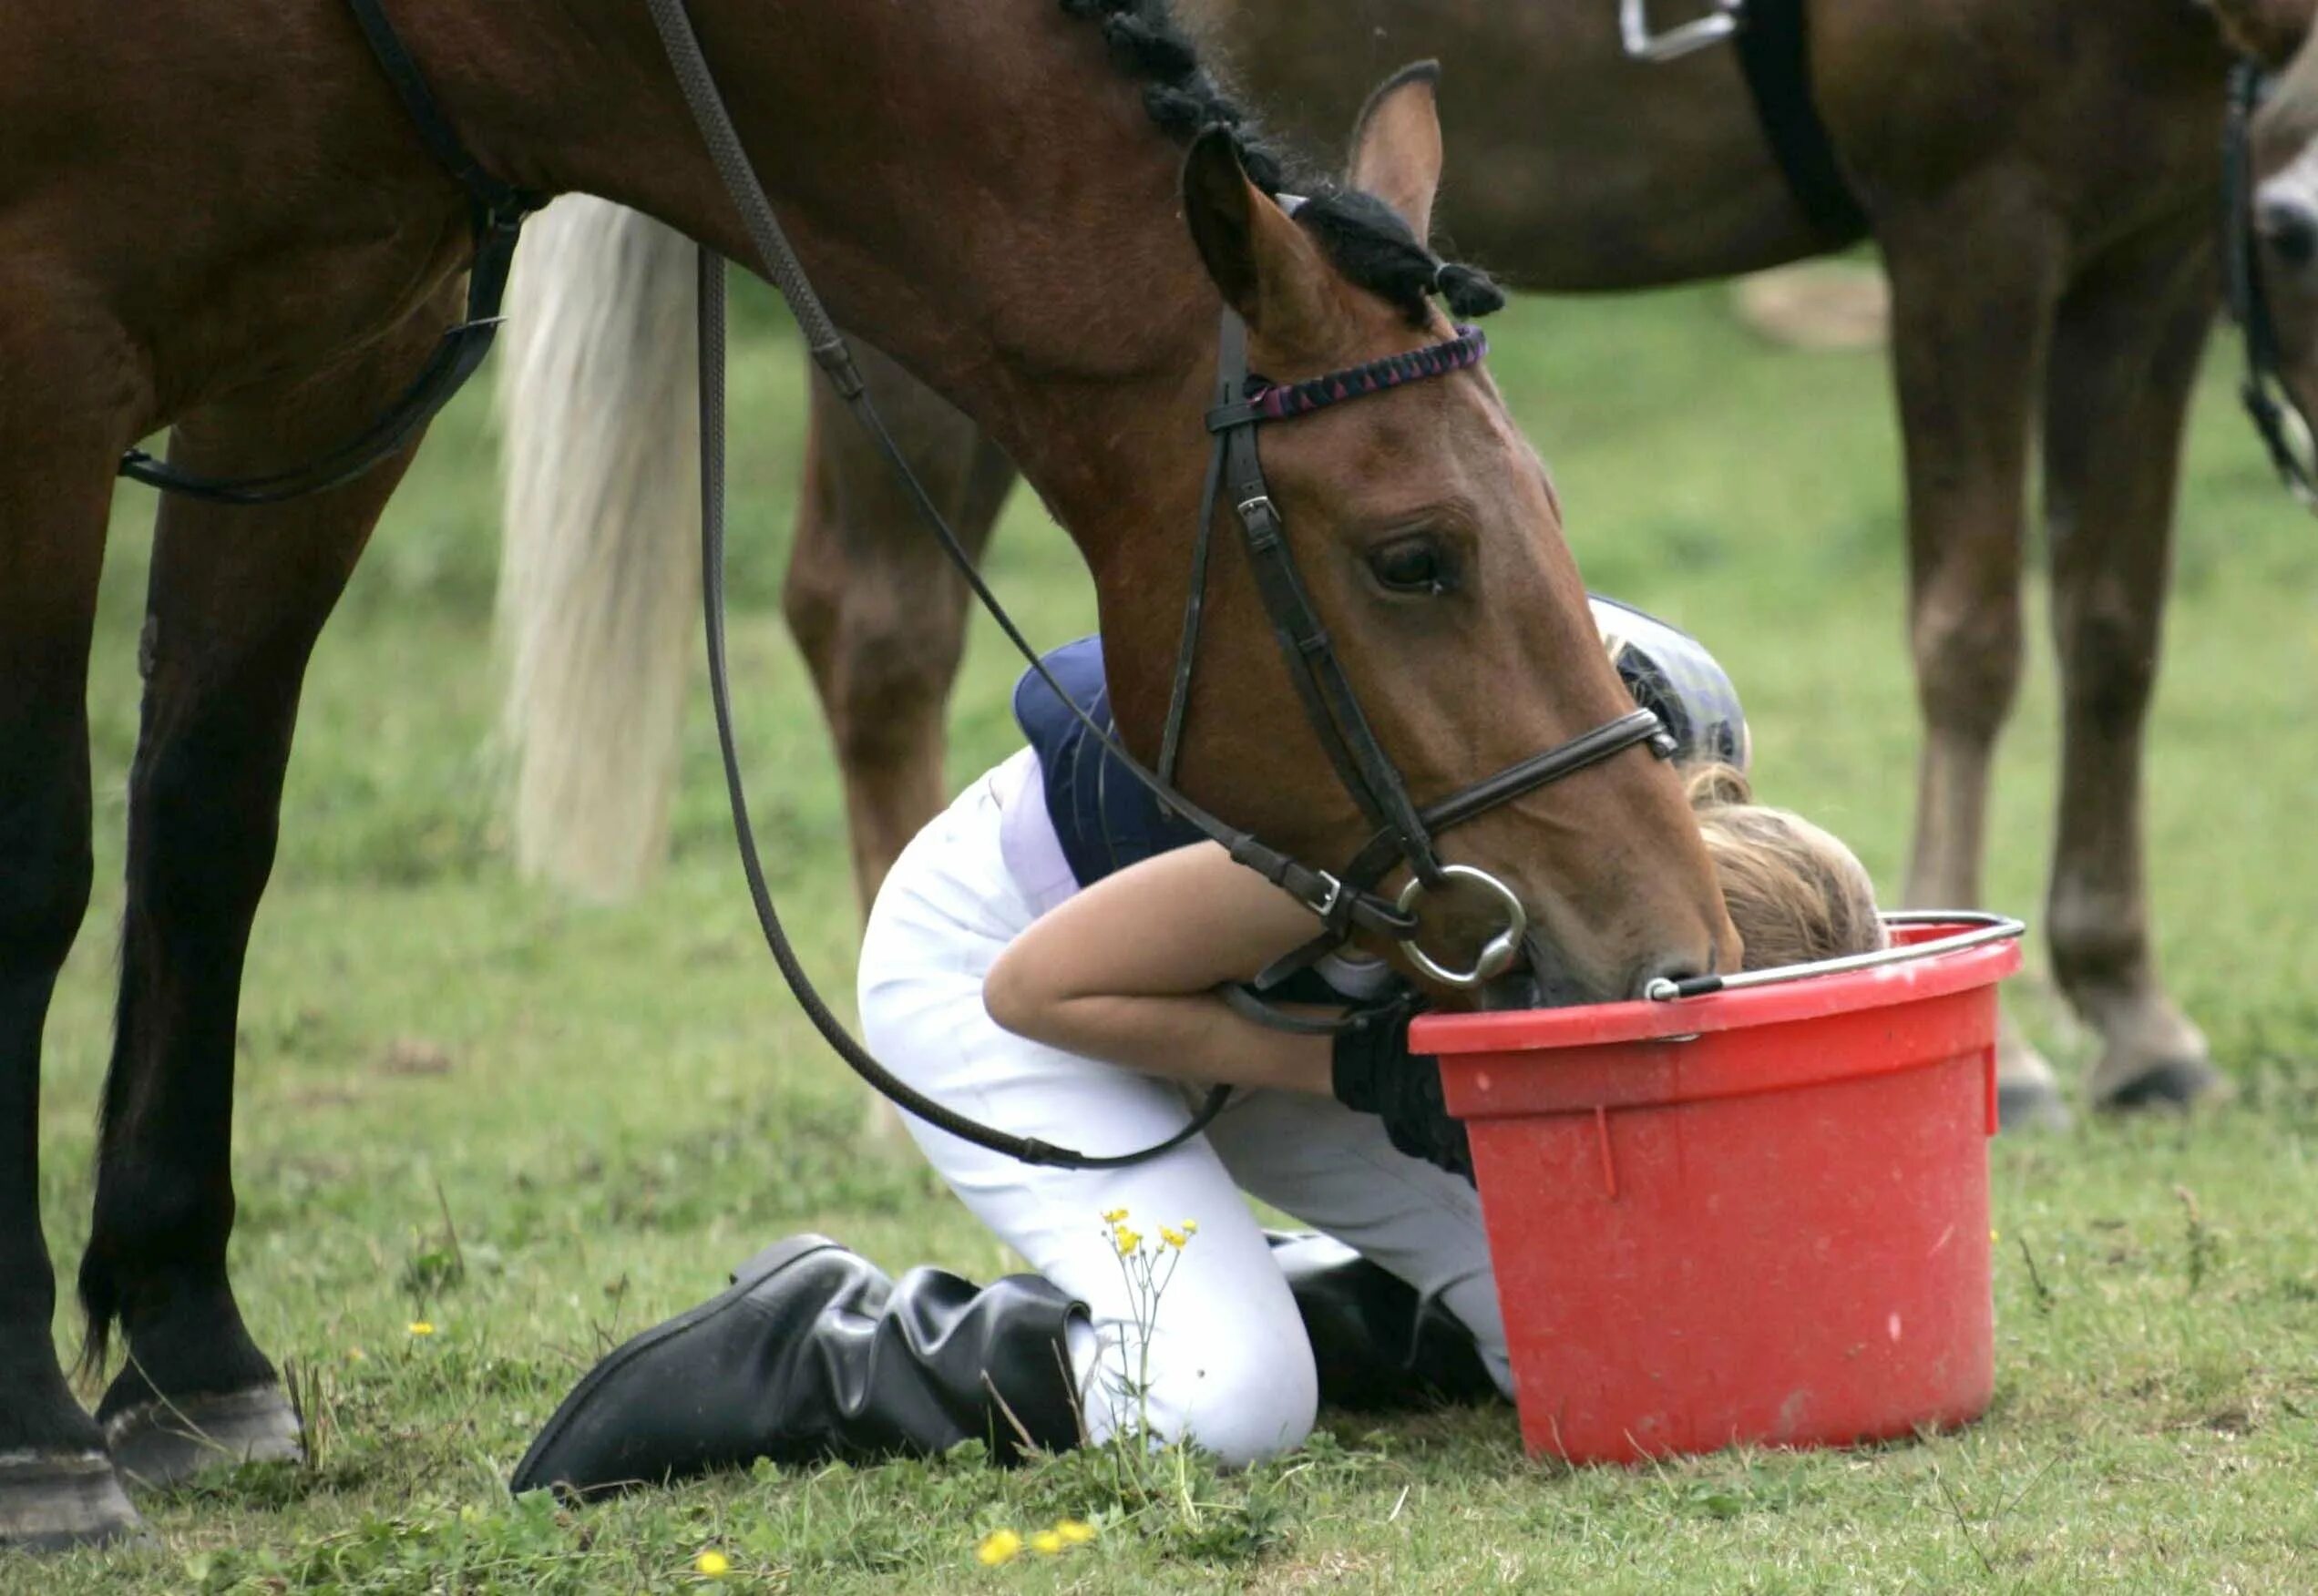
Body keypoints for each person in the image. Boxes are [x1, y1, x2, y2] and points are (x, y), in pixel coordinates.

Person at [511, 600, 1886, 1498]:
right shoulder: (1386, 835)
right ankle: (828, 1344)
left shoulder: (1652, 806)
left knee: (1587, 1348)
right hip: (1014, 976)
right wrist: (1362, 1076)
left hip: (1272, 1004)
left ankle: (1249, 1294)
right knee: (1225, 1412)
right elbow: (1039, 989)